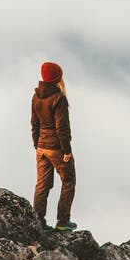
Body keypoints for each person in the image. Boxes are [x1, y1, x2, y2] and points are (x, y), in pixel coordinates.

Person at [31, 61, 77, 231]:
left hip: (42, 147)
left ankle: (38, 223)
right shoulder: (59, 98)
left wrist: (37, 144)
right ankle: (63, 222)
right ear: (57, 78)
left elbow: (34, 123)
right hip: (56, 148)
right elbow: (62, 127)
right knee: (69, 182)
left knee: (42, 185)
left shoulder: (36, 97)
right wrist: (67, 150)